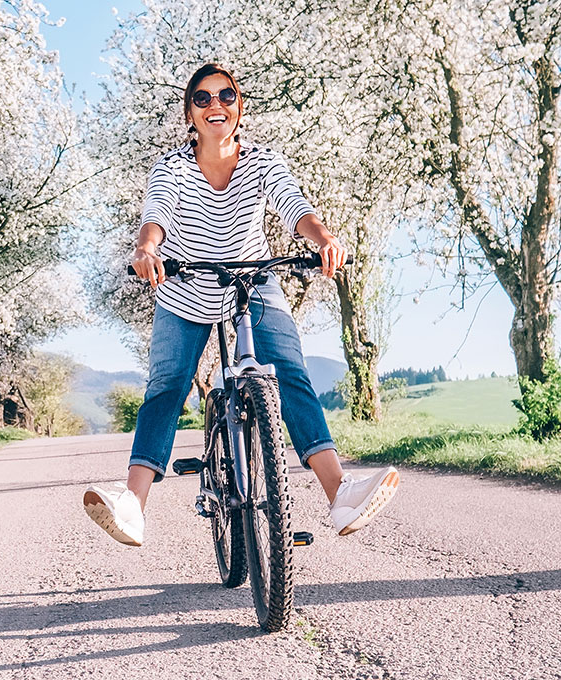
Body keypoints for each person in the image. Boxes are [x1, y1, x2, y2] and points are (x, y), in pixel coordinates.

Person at [84, 63, 399, 547]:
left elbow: (295, 207)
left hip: (250, 284)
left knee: (289, 371)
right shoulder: (171, 168)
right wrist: (147, 250)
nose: (216, 106)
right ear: (190, 113)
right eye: (204, 98)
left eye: (226, 96)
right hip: (185, 286)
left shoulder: (262, 162)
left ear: (239, 107)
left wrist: (324, 239)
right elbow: (157, 217)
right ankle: (133, 506)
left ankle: (341, 495)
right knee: (166, 387)